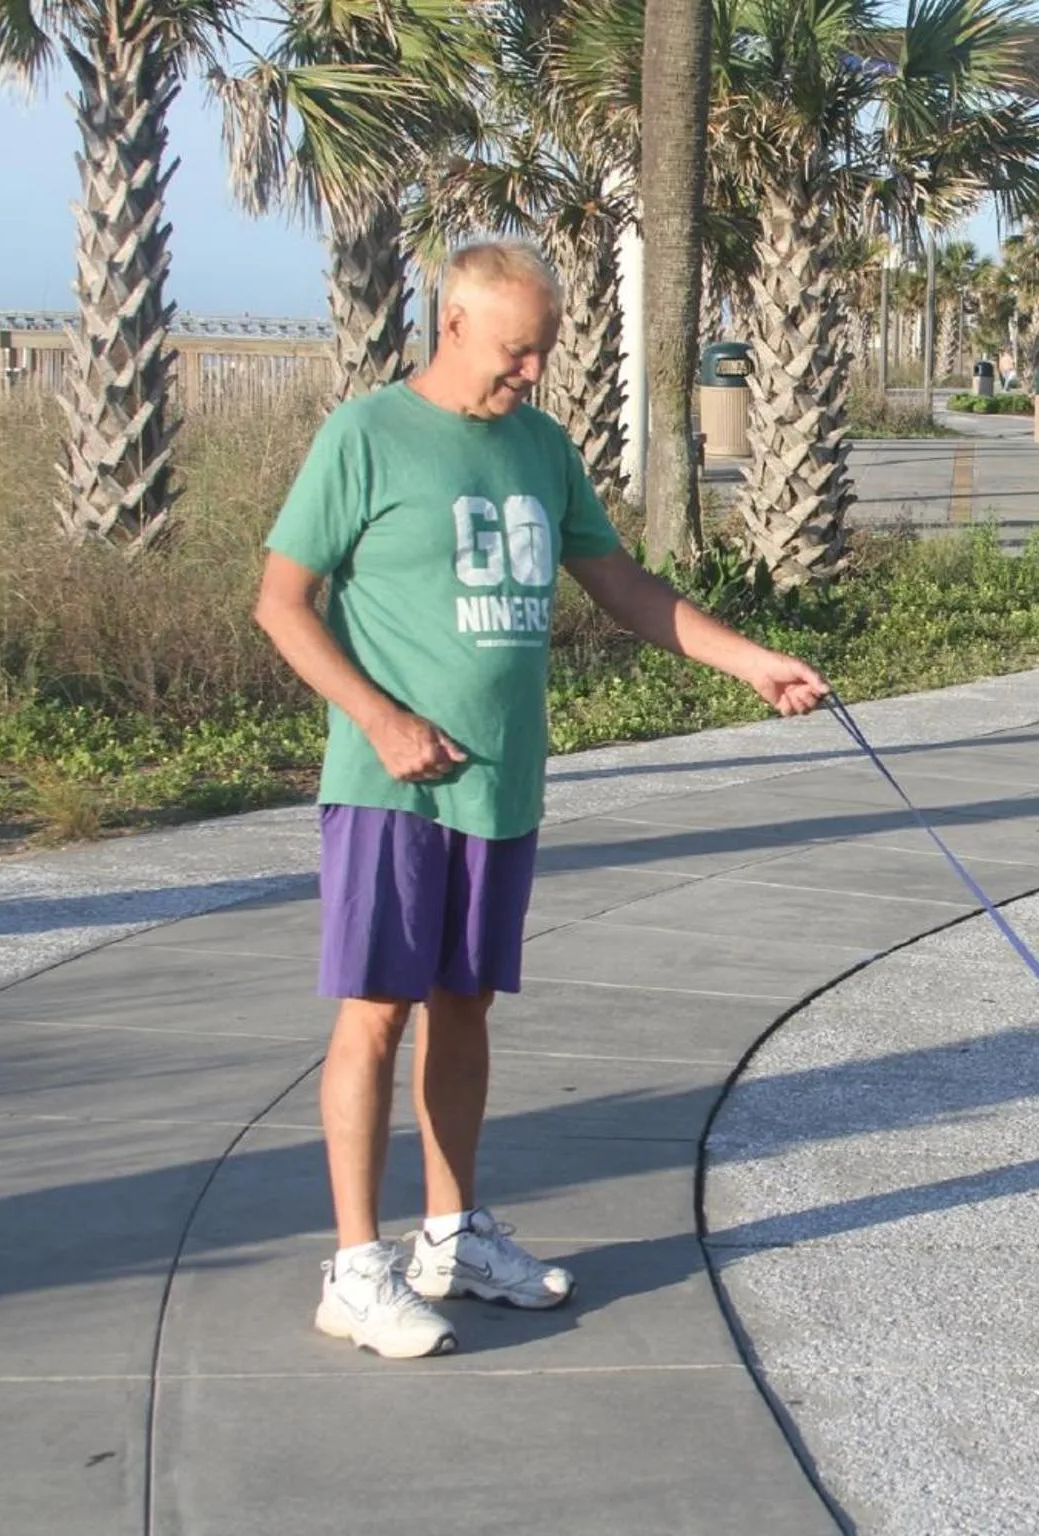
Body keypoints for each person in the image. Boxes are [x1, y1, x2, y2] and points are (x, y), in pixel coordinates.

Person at [256, 240, 828, 1359]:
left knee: (465, 1006)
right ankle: (356, 1268)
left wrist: (749, 659)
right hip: (391, 791)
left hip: (502, 786)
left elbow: (617, 583)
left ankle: (452, 1236)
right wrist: (378, 718)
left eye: (544, 354)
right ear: (455, 323)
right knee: (376, 1012)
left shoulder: (541, 445)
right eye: (518, 352)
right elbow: (281, 602)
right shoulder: (366, 436)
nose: (532, 374)